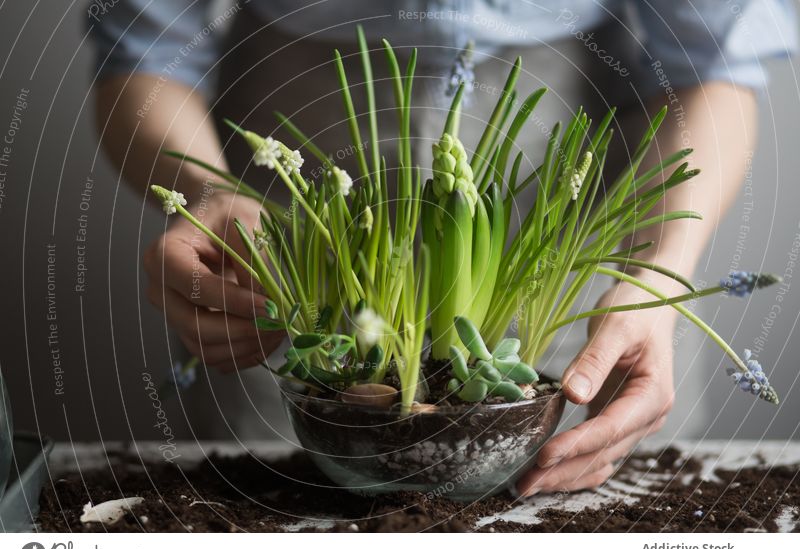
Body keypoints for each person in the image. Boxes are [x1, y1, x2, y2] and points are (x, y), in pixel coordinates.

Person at [88, 1, 796, 496]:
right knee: (292, 489)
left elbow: (715, 63)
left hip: (563, 134)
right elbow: (145, 51)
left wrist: (654, 274)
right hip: (294, 141)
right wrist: (205, 191)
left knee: (576, 471)